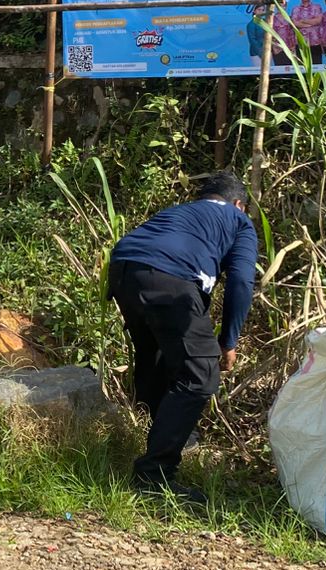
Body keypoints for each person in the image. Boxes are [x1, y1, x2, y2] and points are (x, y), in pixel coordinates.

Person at [105, 171, 257, 504]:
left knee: (156, 358)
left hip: (123, 269)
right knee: (202, 374)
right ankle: (153, 476)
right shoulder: (239, 221)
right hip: (170, 278)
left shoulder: (178, 211)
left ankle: (165, 442)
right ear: (238, 204)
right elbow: (242, 283)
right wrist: (228, 341)